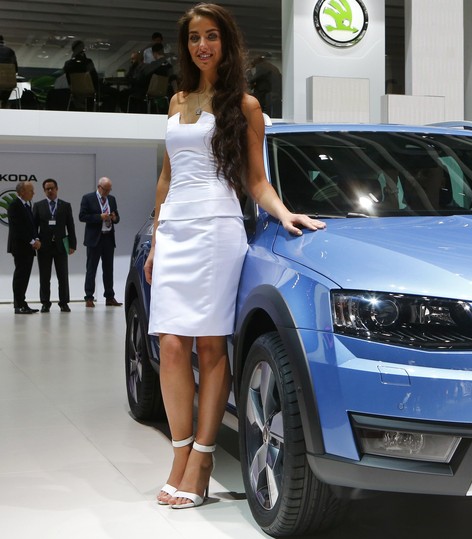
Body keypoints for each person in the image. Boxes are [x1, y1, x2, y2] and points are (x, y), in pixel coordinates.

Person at [143, 3, 325, 509]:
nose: (202, 45)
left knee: (208, 346)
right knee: (172, 347)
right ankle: (179, 453)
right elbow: (166, 178)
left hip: (217, 230)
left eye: (211, 37)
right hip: (176, 230)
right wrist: (157, 240)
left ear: (227, 43)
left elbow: (255, 180)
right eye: (195, 38)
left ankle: (201, 461)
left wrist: (286, 215)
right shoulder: (177, 100)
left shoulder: (244, 106)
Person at [33, 179, 77, 312]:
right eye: (47, 189)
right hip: (44, 246)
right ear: (44, 191)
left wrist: (72, 244)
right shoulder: (38, 205)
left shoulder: (65, 205)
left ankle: (64, 302)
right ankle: (45, 302)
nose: (50, 191)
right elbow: (34, 227)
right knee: (44, 277)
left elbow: (70, 226)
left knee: (63, 276)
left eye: (52, 188)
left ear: (57, 189)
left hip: (60, 246)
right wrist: (36, 241)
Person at [79, 176, 121, 308]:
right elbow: (82, 216)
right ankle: (89, 297)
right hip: (94, 239)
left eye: (109, 190)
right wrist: (99, 217)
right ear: (99, 187)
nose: (107, 192)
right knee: (91, 268)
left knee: (108, 269)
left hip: (108, 237)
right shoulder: (88, 198)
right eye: (106, 190)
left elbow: (117, 217)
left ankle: (109, 296)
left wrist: (114, 218)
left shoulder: (112, 199)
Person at [6, 182, 40, 314]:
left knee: (25, 276)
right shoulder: (14, 205)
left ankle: (22, 302)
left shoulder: (27, 205)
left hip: (28, 247)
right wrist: (32, 241)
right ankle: (18, 305)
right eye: (31, 190)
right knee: (20, 275)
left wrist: (36, 238)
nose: (33, 193)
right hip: (20, 247)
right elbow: (17, 229)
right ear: (21, 192)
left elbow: (31, 225)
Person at [63, 40, 99, 110]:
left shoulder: (68, 64)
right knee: (113, 93)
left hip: (75, 91)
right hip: (90, 89)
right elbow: (94, 77)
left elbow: (68, 79)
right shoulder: (88, 62)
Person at [0, 34, 18, 109]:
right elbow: (15, 68)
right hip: (7, 82)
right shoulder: (10, 51)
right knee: (7, 88)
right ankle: (4, 104)